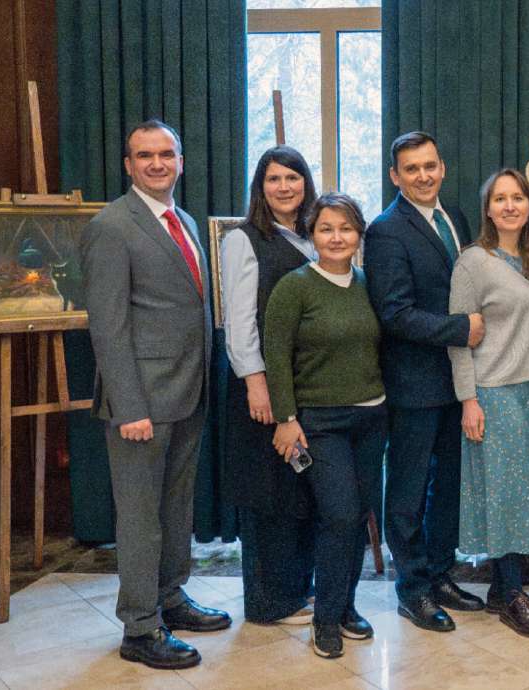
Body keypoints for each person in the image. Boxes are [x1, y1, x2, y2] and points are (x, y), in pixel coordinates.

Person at [81, 119, 230, 670]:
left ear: (181, 161)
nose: (157, 164)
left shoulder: (182, 220)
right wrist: (130, 408)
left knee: (175, 507)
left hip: (187, 394)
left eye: (166, 154)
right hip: (141, 403)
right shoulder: (111, 226)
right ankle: (140, 628)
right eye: (145, 155)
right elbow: (108, 327)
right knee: (141, 517)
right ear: (128, 165)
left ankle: (171, 598)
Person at [365, 131, 486, 633]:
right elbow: (393, 313)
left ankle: (439, 574)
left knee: (448, 488)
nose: (423, 175)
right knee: (410, 491)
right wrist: (461, 329)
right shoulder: (386, 230)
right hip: (413, 384)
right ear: (395, 176)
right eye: (411, 169)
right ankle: (411, 589)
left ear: (442, 167)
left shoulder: (454, 218)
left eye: (430, 165)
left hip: (458, 382)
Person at [264, 193, 386, 659]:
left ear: (359, 235)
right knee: (337, 514)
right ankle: (326, 618)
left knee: (357, 516)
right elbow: (276, 356)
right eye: (326, 229)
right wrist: (286, 419)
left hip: (372, 418)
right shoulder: (294, 287)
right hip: (320, 423)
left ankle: (347, 606)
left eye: (346, 229)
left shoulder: (367, 283)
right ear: (312, 235)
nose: (337, 238)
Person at [448, 169, 529, 638]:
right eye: (500, 199)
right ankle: (510, 591)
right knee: (503, 493)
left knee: (528, 491)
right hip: (493, 390)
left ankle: (504, 588)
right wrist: (468, 400)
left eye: (518, 198)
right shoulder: (472, 262)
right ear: (488, 208)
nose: (510, 206)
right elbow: (458, 339)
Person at [220, 146, 318, 628]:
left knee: (299, 493)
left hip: (303, 391)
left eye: (293, 177)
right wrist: (256, 384)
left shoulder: (312, 238)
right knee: (267, 499)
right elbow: (239, 323)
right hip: (261, 391)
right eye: (274, 179)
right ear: (260, 187)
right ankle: (267, 602)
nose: (285, 187)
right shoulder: (245, 239)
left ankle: (298, 592)